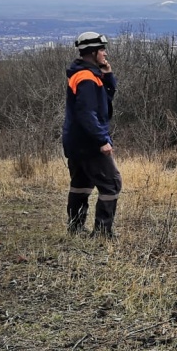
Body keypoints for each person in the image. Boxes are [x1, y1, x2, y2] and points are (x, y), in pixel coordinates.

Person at [62, 31, 122, 238]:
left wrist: (108, 76)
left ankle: (75, 228)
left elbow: (105, 100)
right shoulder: (87, 78)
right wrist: (102, 140)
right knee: (111, 183)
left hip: (76, 141)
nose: (105, 53)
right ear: (93, 52)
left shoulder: (86, 74)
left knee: (81, 184)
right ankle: (103, 233)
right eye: (102, 50)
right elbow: (87, 113)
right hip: (88, 143)